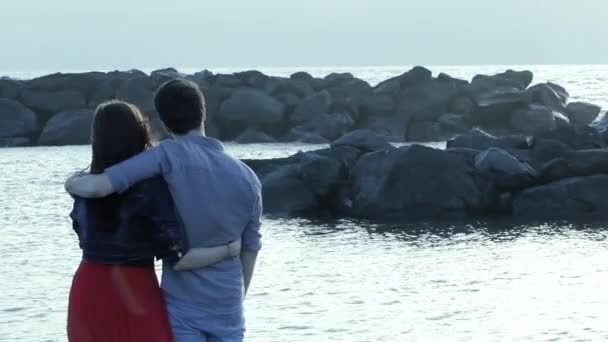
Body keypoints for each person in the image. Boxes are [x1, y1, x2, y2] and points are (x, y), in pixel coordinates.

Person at [65, 79, 262, 342]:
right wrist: (238, 293)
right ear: (203, 113)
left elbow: (100, 187)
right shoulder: (248, 177)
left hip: (167, 303)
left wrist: (69, 182)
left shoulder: (164, 158)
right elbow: (250, 248)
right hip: (222, 301)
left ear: (165, 123)